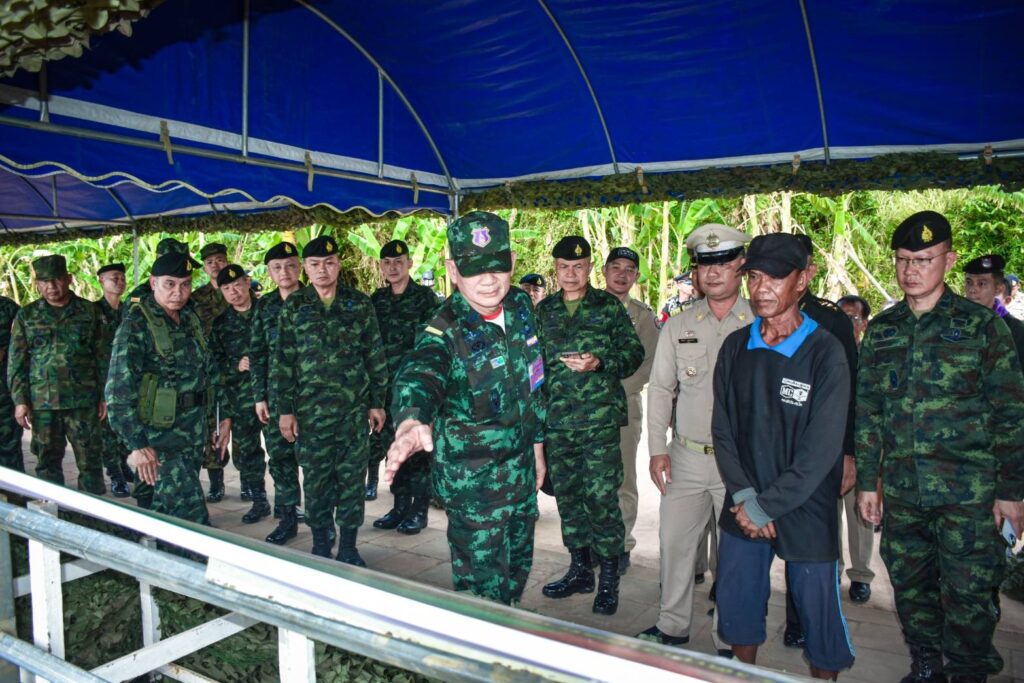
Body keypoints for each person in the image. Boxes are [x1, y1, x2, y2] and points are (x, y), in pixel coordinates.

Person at [856, 211, 1024, 683]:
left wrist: (1011, 492)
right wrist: (868, 481)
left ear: (948, 261)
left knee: (971, 592)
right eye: (903, 260)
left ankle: (969, 671)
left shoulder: (981, 327)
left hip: (969, 495)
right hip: (905, 491)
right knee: (911, 585)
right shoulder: (883, 330)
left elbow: (1010, 413)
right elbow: (868, 411)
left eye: (924, 259)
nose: (911, 270)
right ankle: (926, 663)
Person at [713, 233, 854, 680]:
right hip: (744, 501)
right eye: (754, 277)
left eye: (775, 278)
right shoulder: (736, 346)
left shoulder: (825, 351)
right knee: (738, 608)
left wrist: (766, 506)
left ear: (803, 280)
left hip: (805, 503)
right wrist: (745, 497)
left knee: (819, 619)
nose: (761, 289)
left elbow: (822, 449)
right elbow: (723, 430)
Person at [385, 210, 545, 605]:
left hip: (522, 474)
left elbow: (533, 384)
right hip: (474, 490)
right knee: (482, 599)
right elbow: (419, 373)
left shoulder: (520, 305)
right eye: (474, 269)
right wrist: (411, 419)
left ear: (511, 262)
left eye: (496, 265)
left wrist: (538, 448)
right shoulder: (443, 329)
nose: (488, 279)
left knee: (516, 578)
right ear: (453, 270)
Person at [640, 224, 752, 649]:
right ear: (696, 271)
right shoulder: (679, 325)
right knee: (674, 546)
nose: (714, 272)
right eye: (706, 264)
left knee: (736, 554)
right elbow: (661, 389)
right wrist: (657, 450)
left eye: (724, 262)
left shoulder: (761, 323)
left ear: (741, 265)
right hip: (685, 457)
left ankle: (729, 636)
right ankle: (671, 627)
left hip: (739, 463)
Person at [536, 235, 644, 616]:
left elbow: (633, 353)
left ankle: (609, 578)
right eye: (564, 267)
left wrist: (600, 361)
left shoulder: (607, 307)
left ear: (589, 269)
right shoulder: (544, 311)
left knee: (601, 498)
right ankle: (580, 569)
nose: (571, 273)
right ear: (555, 269)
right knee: (568, 498)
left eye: (578, 267)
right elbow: (534, 366)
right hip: (558, 423)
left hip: (598, 423)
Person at [271, 235, 388, 564]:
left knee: (352, 480)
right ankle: (321, 543)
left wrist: (377, 402)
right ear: (306, 269)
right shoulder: (295, 307)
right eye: (315, 264)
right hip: (311, 414)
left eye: (329, 262)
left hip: (352, 412)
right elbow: (282, 362)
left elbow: (374, 354)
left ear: (338, 265)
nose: (322, 269)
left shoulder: (359, 304)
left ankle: (349, 546)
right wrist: (285, 411)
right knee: (316, 481)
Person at [106, 252, 232, 523]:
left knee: (160, 510)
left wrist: (222, 417)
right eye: (170, 284)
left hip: (192, 432)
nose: (178, 292)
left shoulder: (190, 319)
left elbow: (209, 371)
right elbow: (118, 393)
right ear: (153, 283)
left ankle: (148, 545)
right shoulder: (136, 325)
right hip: (159, 438)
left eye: (185, 284)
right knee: (191, 516)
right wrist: (137, 445)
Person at [8, 255, 107, 494]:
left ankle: (91, 514)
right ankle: (52, 512)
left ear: (69, 279)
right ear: (37, 284)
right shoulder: (27, 315)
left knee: (90, 462)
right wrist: (20, 401)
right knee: (47, 463)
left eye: (57, 280)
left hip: (83, 402)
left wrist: (105, 396)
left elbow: (104, 357)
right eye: (44, 282)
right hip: (43, 404)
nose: (51, 287)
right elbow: (17, 362)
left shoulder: (89, 312)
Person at [370, 239, 440, 534]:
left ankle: (419, 511)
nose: (393, 268)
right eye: (387, 263)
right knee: (392, 447)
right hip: (386, 390)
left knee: (418, 452)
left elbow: (434, 345)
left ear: (409, 263)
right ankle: (399, 507)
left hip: (414, 392)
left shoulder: (425, 299)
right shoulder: (377, 300)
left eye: (398, 262)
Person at [602, 246, 659, 575]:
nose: (621, 275)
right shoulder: (587, 307)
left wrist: (613, 389)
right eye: (616, 267)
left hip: (624, 404)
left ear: (636, 276)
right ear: (604, 271)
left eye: (629, 270)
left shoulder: (643, 316)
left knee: (622, 476)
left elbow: (649, 364)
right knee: (590, 477)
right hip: (585, 407)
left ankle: (621, 544)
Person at [250, 242, 305, 544]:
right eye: (277, 267)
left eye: (290, 265)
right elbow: (257, 352)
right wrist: (259, 396)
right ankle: (287, 519)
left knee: (318, 463)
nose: (284, 272)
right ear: (269, 272)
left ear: (300, 267)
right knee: (281, 460)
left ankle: (322, 522)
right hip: (275, 397)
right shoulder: (265, 306)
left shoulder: (316, 300)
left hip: (313, 397)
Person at [211, 264, 270, 524]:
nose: (233, 292)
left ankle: (289, 505)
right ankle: (259, 501)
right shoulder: (221, 324)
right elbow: (214, 364)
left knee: (282, 451)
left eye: (237, 285)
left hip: (272, 395)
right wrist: (236, 365)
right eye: (227, 288)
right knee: (247, 452)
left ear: (247, 283)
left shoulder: (268, 312)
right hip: (241, 398)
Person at [95, 262, 133, 497]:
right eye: (113, 278)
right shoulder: (93, 311)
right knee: (107, 432)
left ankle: (122, 463)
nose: (119, 282)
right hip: (103, 381)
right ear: (101, 281)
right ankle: (115, 475)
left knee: (124, 428)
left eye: (122, 278)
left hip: (126, 379)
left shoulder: (129, 309)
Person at [964, 254, 1024, 365]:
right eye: (969, 282)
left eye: (981, 283)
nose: (972, 289)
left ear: (998, 289)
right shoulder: (952, 321)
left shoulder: (1016, 331)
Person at [0, 293, 21, 472]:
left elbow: (24, 341)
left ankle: (13, 487)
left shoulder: (7, 307)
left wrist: (5, 351)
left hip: (4, 392)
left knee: (9, 446)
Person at [191, 243, 231, 332]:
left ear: (228, 264)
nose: (214, 265)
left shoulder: (240, 291)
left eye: (219, 260)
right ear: (204, 269)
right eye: (209, 262)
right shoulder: (195, 297)